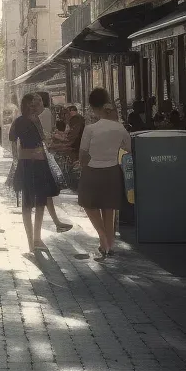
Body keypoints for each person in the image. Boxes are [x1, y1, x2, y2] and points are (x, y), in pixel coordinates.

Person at [77, 87, 131, 259]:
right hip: (113, 170)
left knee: (88, 204)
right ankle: (109, 245)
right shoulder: (120, 128)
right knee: (109, 208)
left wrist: (85, 167)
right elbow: (127, 149)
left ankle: (102, 237)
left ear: (92, 107)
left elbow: (82, 154)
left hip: (92, 170)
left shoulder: (90, 129)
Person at [10, 93, 62, 256]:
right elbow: (40, 139)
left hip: (30, 164)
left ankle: (34, 240)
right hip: (35, 163)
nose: (34, 108)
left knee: (35, 202)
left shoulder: (22, 120)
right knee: (34, 202)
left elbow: (13, 139)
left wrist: (17, 158)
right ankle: (34, 240)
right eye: (32, 105)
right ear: (26, 106)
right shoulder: (25, 121)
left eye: (36, 105)